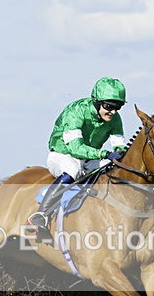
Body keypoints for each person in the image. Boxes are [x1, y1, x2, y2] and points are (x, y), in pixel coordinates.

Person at [28, 77, 128, 242]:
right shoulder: (76, 111)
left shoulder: (115, 118)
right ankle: (40, 216)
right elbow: (76, 148)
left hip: (88, 159)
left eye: (118, 107)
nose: (113, 112)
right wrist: (104, 154)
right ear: (96, 102)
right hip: (62, 154)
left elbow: (119, 144)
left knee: (115, 169)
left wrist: (121, 152)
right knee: (73, 170)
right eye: (109, 107)